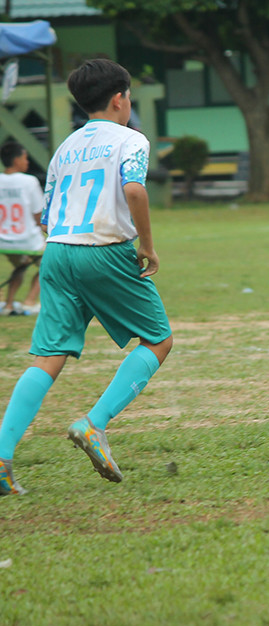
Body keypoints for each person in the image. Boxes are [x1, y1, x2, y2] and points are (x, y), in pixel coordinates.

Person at [0, 59, 173, 496]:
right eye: (129, 96)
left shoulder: (65, 147)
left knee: (48, 356)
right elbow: (133, 189)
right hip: (104, 249)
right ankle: (94, 423)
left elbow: (48, 214)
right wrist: (147, 245)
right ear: (119, 99)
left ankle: (1, 457)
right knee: (158, 339)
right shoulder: (130, 139)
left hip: (58, 252)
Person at [0, 142, 45, 315]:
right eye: (25, 158)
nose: (27, 162)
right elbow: (38, 214)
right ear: (16, 160)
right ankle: (29, 302)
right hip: (27, 239)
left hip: (3, 240)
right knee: (48, 264)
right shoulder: (29, 181)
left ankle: (9, 305)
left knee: (21, 265)